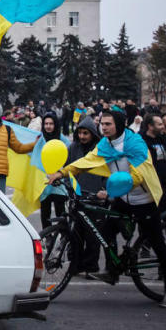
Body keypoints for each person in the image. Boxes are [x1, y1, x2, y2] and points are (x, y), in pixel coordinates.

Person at [47, 110, 166, 308]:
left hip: (144, 200)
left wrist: (114, 189)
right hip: (123, 199)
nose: (104, 127)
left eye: (108, 124)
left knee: (158, 244)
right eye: (102, 124)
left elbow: (139, 175)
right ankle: (113, 271)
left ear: (118, 124)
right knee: (104, 232)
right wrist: (61, 173)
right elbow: (86, 161)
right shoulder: (105, 144)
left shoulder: (135, 143)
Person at [66, 115, 105, 273]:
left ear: (92, 134)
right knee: (76, 234)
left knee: (92, 235)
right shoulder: (73, 148)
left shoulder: (100, 149)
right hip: (77, 197)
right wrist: (69, 186)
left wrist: (103, 189)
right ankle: (75, 265)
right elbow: (67, 168)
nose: (82, 136)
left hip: (95, 198)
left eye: (86, 133)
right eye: (80, 133)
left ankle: (91, 266)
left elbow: (107, 172)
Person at [38, 113, 69, 228]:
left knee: (61, 212)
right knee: (45, 212)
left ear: (56, 125)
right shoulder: (40, 140)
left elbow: (69, 159)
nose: (48, 126)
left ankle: (63, 236)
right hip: (44, 182)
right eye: (46, 124)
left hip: (59, 183)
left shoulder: (63, 140)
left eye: (51, 123)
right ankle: (47, 237)